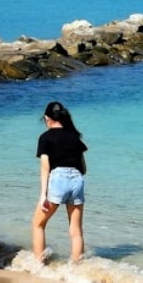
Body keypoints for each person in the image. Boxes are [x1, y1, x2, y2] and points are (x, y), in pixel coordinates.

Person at [33, 101, 88, 263]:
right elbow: (83, 168)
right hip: (77, 180)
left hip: (58, 179)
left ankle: (38, 264)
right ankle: (77, 268)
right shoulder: (74, 137)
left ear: (47, 118)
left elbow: (45, 167)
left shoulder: (45, 138)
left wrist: (43, 195)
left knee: (38, 224)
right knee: (76, 231)